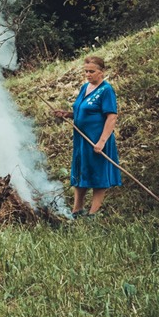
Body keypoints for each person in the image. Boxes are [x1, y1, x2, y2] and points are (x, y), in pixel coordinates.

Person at [53, 55, 120, 217]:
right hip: (81, 140)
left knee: (98, 174)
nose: (88, 74)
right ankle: (77, 210)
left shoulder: (106, 90)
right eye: (86, 71)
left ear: (101, 72)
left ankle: (93, 214)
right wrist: (67, 114)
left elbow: (112, 117)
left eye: (92, 71)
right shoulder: (85, 87)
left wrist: (102, 141)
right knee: (81, 172)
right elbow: (81, 110)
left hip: (97, 140)